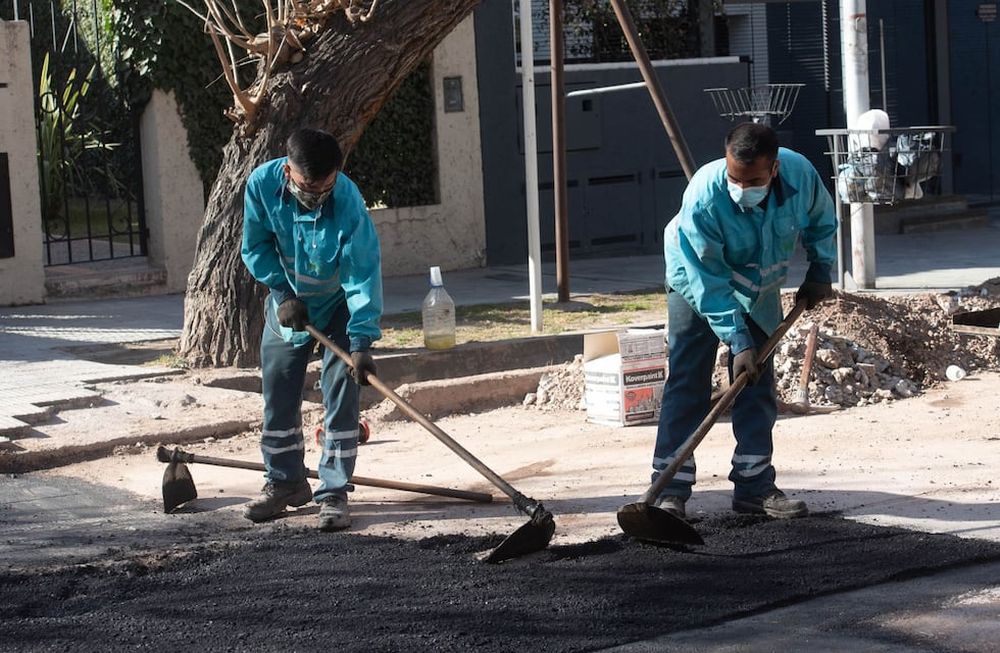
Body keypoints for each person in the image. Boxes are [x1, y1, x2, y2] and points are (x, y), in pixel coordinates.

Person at [652, 122, 836, 520]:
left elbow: (823, 221)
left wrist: (821, 271)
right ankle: (670, 490)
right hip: (695, 281)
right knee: (687, 379)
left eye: (752, 181)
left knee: (757, 382)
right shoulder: (704, 196)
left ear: (774, 169)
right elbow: (708, 279)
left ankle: (754, 486)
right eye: (735, 178)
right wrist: (738, 339)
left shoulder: (800, 176)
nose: (741, 187)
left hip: (758, 286)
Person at [240, 127, 382, 531]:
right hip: (288, 305)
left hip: (337, 306)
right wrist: (283, 293)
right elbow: (256, 245)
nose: (317, 195)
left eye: (325, 187)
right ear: (288, 171)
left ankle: (334, 491)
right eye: (308, 187)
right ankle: (285, 482)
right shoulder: (262, 186)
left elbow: (362, 272)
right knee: (279, 392)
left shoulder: (348, 200)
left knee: (341, 394)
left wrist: (360, 340)